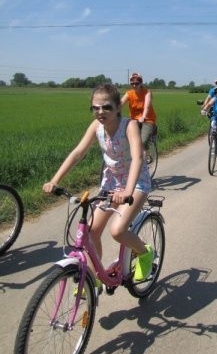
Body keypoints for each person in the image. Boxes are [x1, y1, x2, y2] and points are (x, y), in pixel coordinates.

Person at [43, 83, 153, 284]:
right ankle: (95, 278)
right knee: (91, 231)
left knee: (117, 231)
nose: (100, 112)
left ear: (117, 107)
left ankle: (145, 253)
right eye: (96, 107)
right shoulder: (96, 127)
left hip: (135, 183)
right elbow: (77, 154)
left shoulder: (129, 126)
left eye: (107, 107)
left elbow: (137, 158)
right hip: (110, 183)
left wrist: (128, 191)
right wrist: (55, 180)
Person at [121, 73, 157, 162]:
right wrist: (111, 111)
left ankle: (144, 165)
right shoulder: (129, 93)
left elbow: (147, 106)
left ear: (140, 83)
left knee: (142, 141)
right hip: (134, 121)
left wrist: (143, 116)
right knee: (124, 140)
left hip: (147, 120)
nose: (134, 85)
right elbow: (120, 104)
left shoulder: (146, 92)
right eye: (132, 83)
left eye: (136, 83)